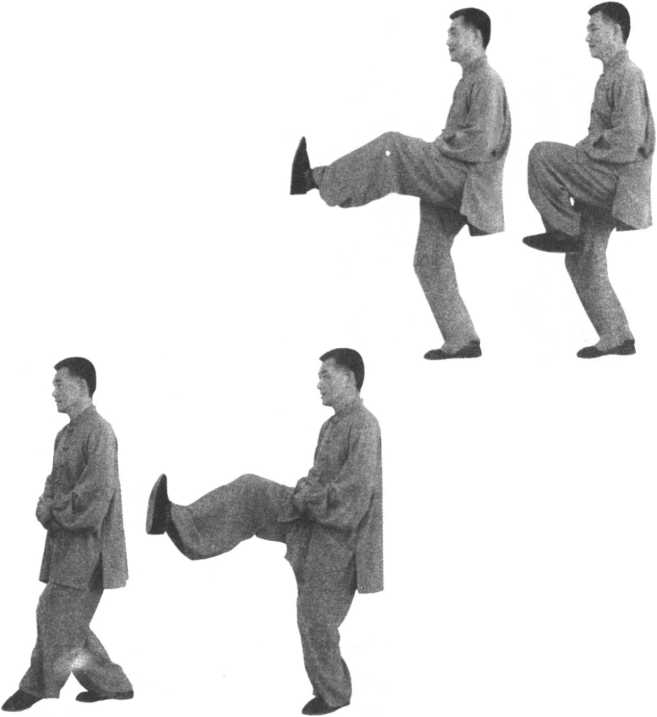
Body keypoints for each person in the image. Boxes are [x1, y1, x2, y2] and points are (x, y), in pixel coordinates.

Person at [146, 348, 382, 715]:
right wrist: (306, 492)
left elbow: (353, 498)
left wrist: (308, 497)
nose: (318, 383)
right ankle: (177, 521)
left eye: (325, 375)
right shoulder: (332, 425)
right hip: (312, 517)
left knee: (316, 621)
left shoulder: (364, 425)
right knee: (251, 490)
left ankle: (334, 695)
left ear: (349, 378)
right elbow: (318, 478)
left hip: (338, 539)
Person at [290, 8, 511, 361]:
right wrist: (445, 145)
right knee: (428, 258)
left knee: (392, 147)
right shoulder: (470, 80)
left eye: (454, 33)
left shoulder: (486, 80)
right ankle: (462, 340)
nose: (448, 40)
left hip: (467, 182)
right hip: (459, 181)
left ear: (476, 36)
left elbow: (481, 143)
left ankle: (314, 179)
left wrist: (441, 145)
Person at [524, 2, 654, 358]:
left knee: (541, 155)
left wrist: (583, 154)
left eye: (594, 29)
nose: (587, 37)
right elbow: (602, 137)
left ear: (616, 31)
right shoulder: (609, 76)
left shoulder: (628, 74)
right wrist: (586, 151)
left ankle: (563, 228)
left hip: (618, 184)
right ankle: (617, 336)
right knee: (582, 258)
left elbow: (628, 141)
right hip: (608, 180)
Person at [2, 358, 133, 712]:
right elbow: (54, 483)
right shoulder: (64, 435)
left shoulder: (100, 431)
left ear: (82, 386)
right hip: (66, 544)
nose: (53, 391)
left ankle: (35, 687)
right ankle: (113, 684)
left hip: (90, 547)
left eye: (60, 383)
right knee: (68, 620)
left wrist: (53, 511)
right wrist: (45, 505)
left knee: (53, 612)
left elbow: (96, 493)